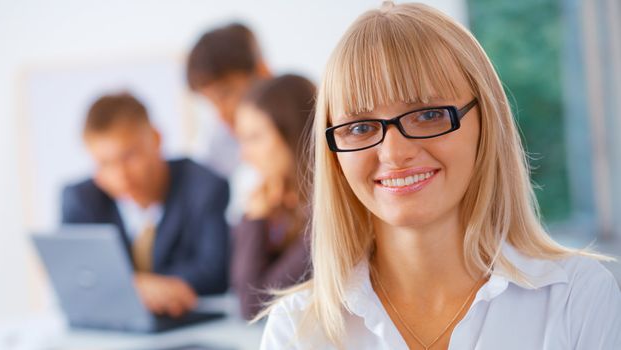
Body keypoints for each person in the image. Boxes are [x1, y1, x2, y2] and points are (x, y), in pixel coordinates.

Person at [260, 2, 621, 349]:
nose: (394, 153)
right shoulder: (296, 330)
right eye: (361, 127)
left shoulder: (577, 297)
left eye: (429, 115)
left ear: (485, 124)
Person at [61, 93, 230, 318]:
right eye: (104, 163)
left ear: (156, 138)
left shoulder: (204, 187)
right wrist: (136, 287)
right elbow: (71, 278)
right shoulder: (80, 200)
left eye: (129, 156)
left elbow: (214, 272)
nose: (120, 175)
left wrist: (122, 288)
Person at [230, 74, 315, 320]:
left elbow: (254, 305)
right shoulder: (283, 202)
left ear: (294, 134)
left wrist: (255, 219)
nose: (244, 155)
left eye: (255, 138)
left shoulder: (327, 209)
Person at [186, 22, 272, 178]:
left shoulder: (309, 124)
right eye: (211, 103)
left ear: (263, 73)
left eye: (225, 94)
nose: (221, 114)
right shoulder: (218, 148)